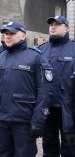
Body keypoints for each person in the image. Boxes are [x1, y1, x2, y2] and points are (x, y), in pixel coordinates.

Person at [0, 21, 53, 157]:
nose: (7, 36)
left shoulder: (36, 57)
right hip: (1, 120)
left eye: (11, 33)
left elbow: (44, 92)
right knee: (1, 153)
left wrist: (38, 120)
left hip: (23, 122)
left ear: (23, 36)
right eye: (5, 33)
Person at [38, 16, 75, 157]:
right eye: (51, 24)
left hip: (68, 108)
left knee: (70, 144)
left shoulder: (73, 48)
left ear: (66, 28)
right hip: (47, 106)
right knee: (48, 143)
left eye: (57, 24)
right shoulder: (41, 50)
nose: (53, 27)